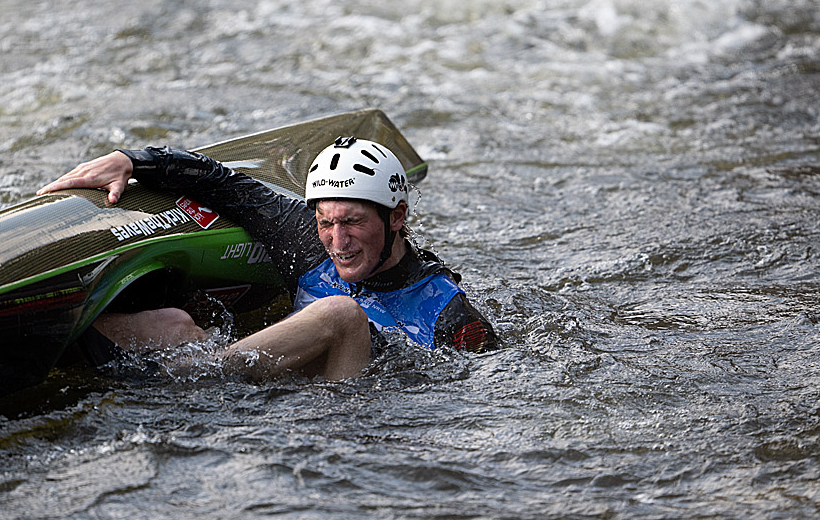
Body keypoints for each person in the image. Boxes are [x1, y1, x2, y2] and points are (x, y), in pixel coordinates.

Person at [38, 136, 498, 381]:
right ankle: (44, 343)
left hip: (347, 422)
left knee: (342, 314)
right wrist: (132, 161)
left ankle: (180, 376)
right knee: (172, 324)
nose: (337, 241)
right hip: (265, 393)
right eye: (326, 221)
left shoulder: (449, 311)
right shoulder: (303, 238)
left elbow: (491, 390)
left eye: (353, 222)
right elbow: (223, 183)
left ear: (396, 217)